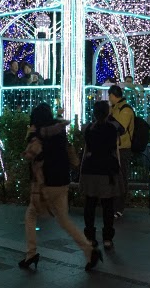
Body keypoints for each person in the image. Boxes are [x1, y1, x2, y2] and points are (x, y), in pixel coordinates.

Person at [20, 103, 102, 271]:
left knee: (30, 215)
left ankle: (31, 253)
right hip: (62, 181)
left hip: (45, 183)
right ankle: (88, 249)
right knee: (64, 220)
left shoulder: (37, 134)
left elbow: (31, 154)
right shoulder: (59, 131)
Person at [81, 101, 121, 250]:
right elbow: (120, 132)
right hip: (106, 170)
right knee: (107, 205)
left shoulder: (89, 129)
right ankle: (107, 238)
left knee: (90, 204)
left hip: (90, 169)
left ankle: (90, 236)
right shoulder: (111, 128)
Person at [108, 84, 133, 219]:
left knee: (122, 178)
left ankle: (119, 208)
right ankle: (114, 206)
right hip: (114, 147)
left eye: (109, 96)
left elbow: (121, 128)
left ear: (113, 95)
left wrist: (109, 117)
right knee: (114, 178)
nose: (109, 99)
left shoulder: (125, 109)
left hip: (123, 148)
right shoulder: (115, 108)